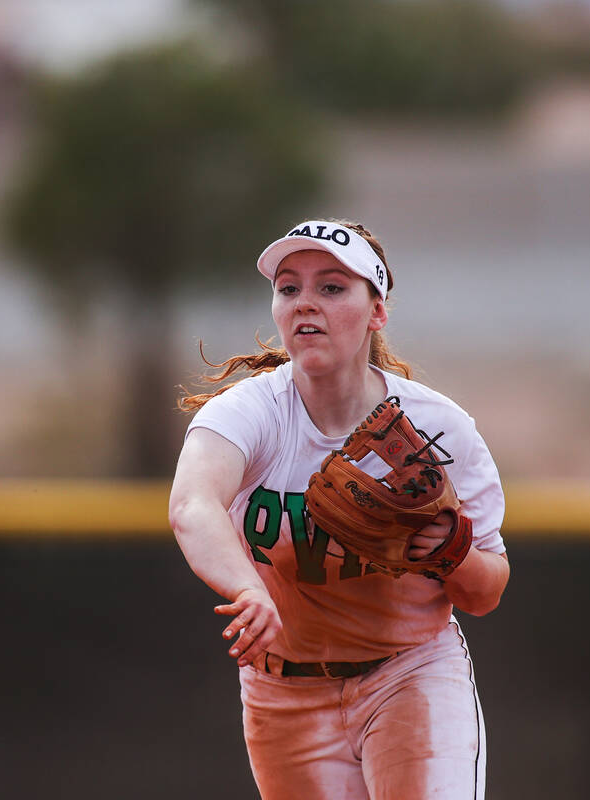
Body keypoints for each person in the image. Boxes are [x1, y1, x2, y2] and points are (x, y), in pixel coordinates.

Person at [168, 219, 509, 799]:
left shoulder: (437, 428)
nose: (306, 303)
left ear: (376, 311)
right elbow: (192, 505)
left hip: (410, 673)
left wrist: (450, 554)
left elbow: (486, 593)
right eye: (289, 287)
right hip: (284, 695)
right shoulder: (251, 413)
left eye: (331, 287)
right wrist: (248, 589)